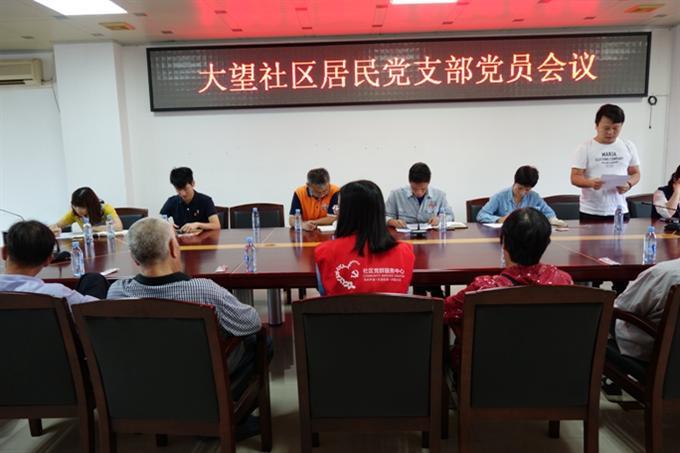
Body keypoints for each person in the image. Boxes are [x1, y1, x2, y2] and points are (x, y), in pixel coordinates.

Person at [444, 208, 573, 366]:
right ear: (547, 243)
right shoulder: (563, 281)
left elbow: (443, 312)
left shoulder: (483, 289)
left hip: (488, 371)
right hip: (549, 368)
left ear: (503, 242)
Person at [315, 180, 415, 295]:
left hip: (343, 307)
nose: (336, 211)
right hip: (391, 307)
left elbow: (324, 291)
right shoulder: (405, 252)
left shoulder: (324, 252)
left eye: (338, 207)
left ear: (347, 213)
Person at [0, 220, 109, 303]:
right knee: (94, 280)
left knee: (92, 279)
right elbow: (99, 308)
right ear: (48, 260)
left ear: (4, 252)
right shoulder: (57, 294)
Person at [571, 104, 641, 221]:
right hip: (591, 211)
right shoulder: (585, 148)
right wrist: (590, 183)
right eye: (606, 128)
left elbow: (636, 173)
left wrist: (628, 184)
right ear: (596, 125)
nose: (610, 132)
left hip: (620, 209)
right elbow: (575, 177)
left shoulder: (628, 146)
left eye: (615, 128)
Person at [477, 165, 564, 225]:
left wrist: (553, 220)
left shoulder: (534, 197)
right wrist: (500, 219)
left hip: (527, 235)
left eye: (527, 190)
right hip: (507, 235)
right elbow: (481, 215)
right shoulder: (500, 196)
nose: (522, 192)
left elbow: (550, 214)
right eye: (520, 188)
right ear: (515, 182)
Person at [385, 162, 454, 228]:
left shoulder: (439, 195)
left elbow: (450, 216)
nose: (419, 193)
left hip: (431, 234)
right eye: (414, 189)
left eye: (423, 189)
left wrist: (439, 219)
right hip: (403, 234)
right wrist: (391, 221)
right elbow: (384, 217)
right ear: (409, 182)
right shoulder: (396, 195)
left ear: (428, 182)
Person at [160, 167, 220, 233]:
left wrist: (198, 224)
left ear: (193, 183)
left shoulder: (206, 201)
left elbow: (216, 225)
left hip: (203, 238)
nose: (183, 194)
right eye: (178, 189)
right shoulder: (172, 201)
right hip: (180, 238)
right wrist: (166, 224)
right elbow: (162, 217)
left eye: (186, 188)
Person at [51, 187, 122, 234]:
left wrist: (94, 228)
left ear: (91, 205)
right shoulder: (73, 213)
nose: (78, 210)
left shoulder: (105, 208)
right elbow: (56, 225)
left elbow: (118, 226)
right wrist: (54, 230)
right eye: (75, 206)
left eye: (82, 207)